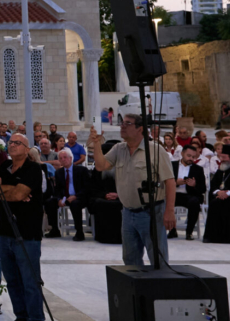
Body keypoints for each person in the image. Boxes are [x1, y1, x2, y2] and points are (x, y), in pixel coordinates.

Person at [87, 114, 176, 267]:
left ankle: (158, 289)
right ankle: (138, 290)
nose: (122, 126)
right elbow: (101, 166)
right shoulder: (119, 149)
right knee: (130, 259)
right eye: (122, 123)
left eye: (127, 123)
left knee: (157, 259)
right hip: (128, 213)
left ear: (140, 128)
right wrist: (96, 144)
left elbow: (170, 181)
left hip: (151, 211)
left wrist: (169, 211)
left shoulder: (155, 150)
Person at [0, 135, 47, 321]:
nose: (12, 145)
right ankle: (21, 319)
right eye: (11, 143)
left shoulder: (34, 169)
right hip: (5, 231)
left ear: (26, 148)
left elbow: (19, 194)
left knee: (30, 280)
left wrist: (3, 192)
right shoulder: (4, 166)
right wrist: (9, 190)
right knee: (12, 280)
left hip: (27, 233)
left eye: (17, 143)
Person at [46, 149, 88, 241]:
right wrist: (59, 199)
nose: (63, 160)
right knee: (50, 202)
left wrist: (76, 196)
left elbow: (87, 187)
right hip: (65, 197)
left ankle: (79, 232)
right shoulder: (58, 172)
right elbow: (57, 190)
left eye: (65, 157)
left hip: (79, 197)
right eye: (60, 158)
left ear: (71, 158)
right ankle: (55, 229)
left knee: (75, 204)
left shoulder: (82, 170)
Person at [173, 144, 206, 240]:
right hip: (173, 194)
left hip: (189, 195)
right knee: (162, 202)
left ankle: (189, 232)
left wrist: (194, 185)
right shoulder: (172, 165)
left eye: (193, 157)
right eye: (188, 156)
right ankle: (171, 230)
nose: (191, 159)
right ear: (182, 153)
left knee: (194, 202)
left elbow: (202, 189)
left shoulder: (198, 169)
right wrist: (175, 182)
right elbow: (163, 182)